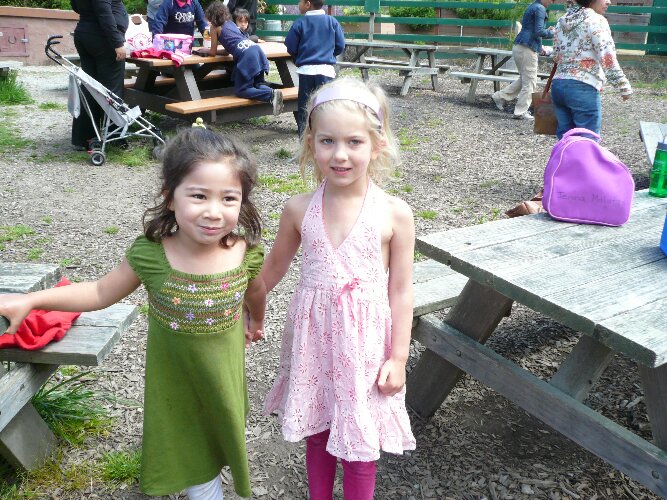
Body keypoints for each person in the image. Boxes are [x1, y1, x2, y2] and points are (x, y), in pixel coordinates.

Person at [0, 127, 266, 499]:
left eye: (229, 198)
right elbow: (99, 292)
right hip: (175, 382)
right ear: (169, 197)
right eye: (199, 195)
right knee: (188, 440)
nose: (213, 211)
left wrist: (257, 319)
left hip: (223, 376)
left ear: (242, 202)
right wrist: (31, 301)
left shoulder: (244, 252)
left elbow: (256, 290)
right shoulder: (152, 253)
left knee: (219, 428)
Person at [260, 78, 417, 500]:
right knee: (318, 428)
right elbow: (272, 269)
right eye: (327, 141)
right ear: (311, 143)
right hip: (314, 340)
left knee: (360, 439)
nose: (340, 154)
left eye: (354, 142)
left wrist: (399, 357)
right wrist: (243, 305)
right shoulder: (298, 209)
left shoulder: (395, 214)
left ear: (377, 145)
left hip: (366, 346)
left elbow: (401, 291)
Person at [550, 0, 632, 138]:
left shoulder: (561, 21)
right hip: (583, 85)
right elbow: (607, 56)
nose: (608, 2)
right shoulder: (596, 20)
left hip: (558, 85)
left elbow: (556, 56)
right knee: (587, 140)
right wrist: (622, 85)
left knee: (565, 140)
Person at [205, 1, 284, 115]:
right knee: (257, 84)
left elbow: (212, 52)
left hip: (247, 55)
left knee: (241, 90)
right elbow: (228, 51)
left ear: (211, 16)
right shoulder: (231, 23)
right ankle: (274, 93)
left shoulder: (214, 27)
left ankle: (270, 95)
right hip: (255, 50)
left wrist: (204, 50)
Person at [70, 0, 129, 150]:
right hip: (103, 38)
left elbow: (76, 6)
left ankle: (83, 137)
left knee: (90, 87)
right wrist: (117, 42)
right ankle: (114, 136)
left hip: (85, 32)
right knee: (111, 90)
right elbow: (104, 12)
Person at [284, 0, 345, 137]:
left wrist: (299, 57)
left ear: (307, 3)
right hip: (326, 71)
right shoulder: (332, 21)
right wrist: (328, 55)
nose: (298, 4)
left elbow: (290, 47)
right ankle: (327, 138)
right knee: (326, 107)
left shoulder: (299, 23)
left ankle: (304, 141)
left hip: (306, 71)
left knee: (305, 108)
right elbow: (340, 45)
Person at [491, 0, 554, 120]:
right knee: (530, 81)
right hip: (527, 48)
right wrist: (553, 32)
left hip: (520, 46)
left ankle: (500, 96)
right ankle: (521, 111)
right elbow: (539, 31)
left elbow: (533, 29)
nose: (552, 2)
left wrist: (548, 32)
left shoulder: (533, 6)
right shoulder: (540, 8)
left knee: (524, 78)